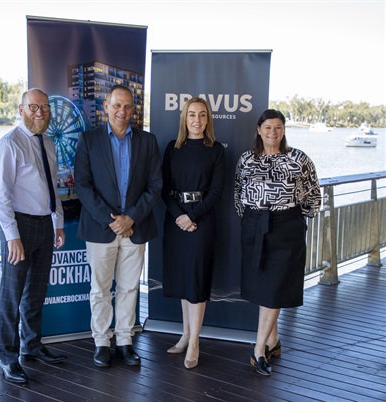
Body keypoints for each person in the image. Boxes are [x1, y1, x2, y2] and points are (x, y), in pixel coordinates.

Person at [74, 84, 162, 368]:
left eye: (127, 106)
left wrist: (131, 218)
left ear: (133, 109)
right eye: (116, 105)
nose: (121, 111)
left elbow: (155, 185)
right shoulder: (89, 140)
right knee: (100, 289)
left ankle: (124, 341)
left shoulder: (148, 142)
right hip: (102, 228)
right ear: (106, 107)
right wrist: (111, 221)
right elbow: (83, 186)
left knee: (128, 288)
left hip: (135, 228)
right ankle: (101, 342)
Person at [234, 109, 321, 376]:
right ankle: (274, 341)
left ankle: (258, 349)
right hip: (254, 225)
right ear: (259, 130)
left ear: (284, 130)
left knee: (275, 287)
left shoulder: (298, 158)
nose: (273, 132)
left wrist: (293, 220)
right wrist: (252, 218)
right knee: (264, 287)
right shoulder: (247, 159)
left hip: (287, 228)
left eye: (279, 127)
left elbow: (313, 196)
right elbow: (238, 192)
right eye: (268, 127)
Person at [0, 88, 66, 383]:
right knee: (11, 297)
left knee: (35, 293)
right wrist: (12, 236)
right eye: (33, 107)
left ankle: (32, 345)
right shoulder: (8, 145)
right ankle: (8, 358)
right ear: (20, 109)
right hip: (19, 228)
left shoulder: (47, 142)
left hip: (45, 225)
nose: (40, 112)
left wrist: (57, 223)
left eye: (44, 108)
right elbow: (0, 196)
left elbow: (53, 186)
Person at [162, 97, 227, 369]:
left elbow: (216, 191)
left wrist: (192, 216)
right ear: (184, 118)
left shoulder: (216, 150)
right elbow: (164, 188)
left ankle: (196, 341)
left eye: (202, 115)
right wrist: (179, 216)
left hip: (201, 222)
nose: (197, 120)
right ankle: (185, 334)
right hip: (176, 221)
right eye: (192, 115)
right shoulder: (173, 148)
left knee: (197, 281)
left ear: (208, 119)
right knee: (183, 279)